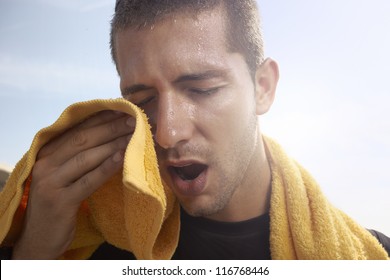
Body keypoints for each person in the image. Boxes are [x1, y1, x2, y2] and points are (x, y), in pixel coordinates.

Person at [5, 0, 390, 260]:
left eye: (202, 89)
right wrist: (31, 253)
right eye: (141, 100)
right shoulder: (104, 247)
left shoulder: (371, 256)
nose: (167, 134)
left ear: (263, 87)